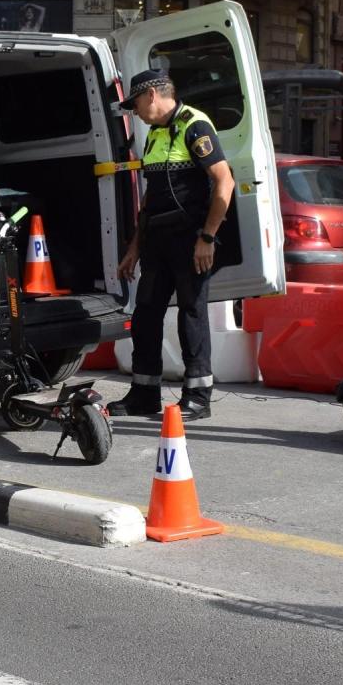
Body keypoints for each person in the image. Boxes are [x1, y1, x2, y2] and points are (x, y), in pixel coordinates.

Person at [108, 69, 237, 421]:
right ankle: (144, 394)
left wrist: (207, 237)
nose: (133, 111)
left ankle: (197, 396)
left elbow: (224, 181)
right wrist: (134, 247)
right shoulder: (153, 134)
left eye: (134, 103)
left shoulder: (194, 124)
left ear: (150, 95)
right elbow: (150, 198)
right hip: (157, 241)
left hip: (190, 238)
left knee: (191, 314)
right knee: (146, 315)